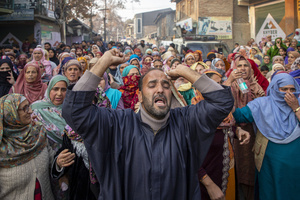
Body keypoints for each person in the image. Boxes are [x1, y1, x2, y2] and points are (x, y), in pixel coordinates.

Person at [61, 48, 234, 200]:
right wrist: (103, 62)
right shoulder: (116, 124)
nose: (160, 89)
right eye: (152, 85)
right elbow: (75, 111)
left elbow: (222, 103)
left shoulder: (186, 122)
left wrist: (185, 71)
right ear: (140, 95)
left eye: (166, 85)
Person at [233, 73, 300, 200]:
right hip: (270, 161)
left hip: (296, 162)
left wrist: (296, 108)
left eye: (292, 89)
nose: (288, 93)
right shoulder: (262, 104)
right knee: (270, 190)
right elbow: (240, 116)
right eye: (284, 89)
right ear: (275, 88)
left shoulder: (298, 103)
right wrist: (225, 103)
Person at [223, 55, 265, 200]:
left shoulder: (256, 85)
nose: (242, 68)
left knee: (253, 166)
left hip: (255, 132)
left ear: (251, 69)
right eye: (239, 66)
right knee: (239, 167)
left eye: (245, 65)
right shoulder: (232, 85)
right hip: (236, 133)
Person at [0, 94, 55, 200]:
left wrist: (59, 163)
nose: (30, 111)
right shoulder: (2, 148)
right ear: (10, 114)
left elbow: (51, 159)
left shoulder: (37, 133)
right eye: (24, 108)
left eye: (28, 106)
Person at [31, 75, 69, 151]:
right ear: (49, 90)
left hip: (67, 154)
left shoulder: (71, 109)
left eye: (63, 90)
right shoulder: (37, 108)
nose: (59, 93)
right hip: (43, 153)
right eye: (55, 89)